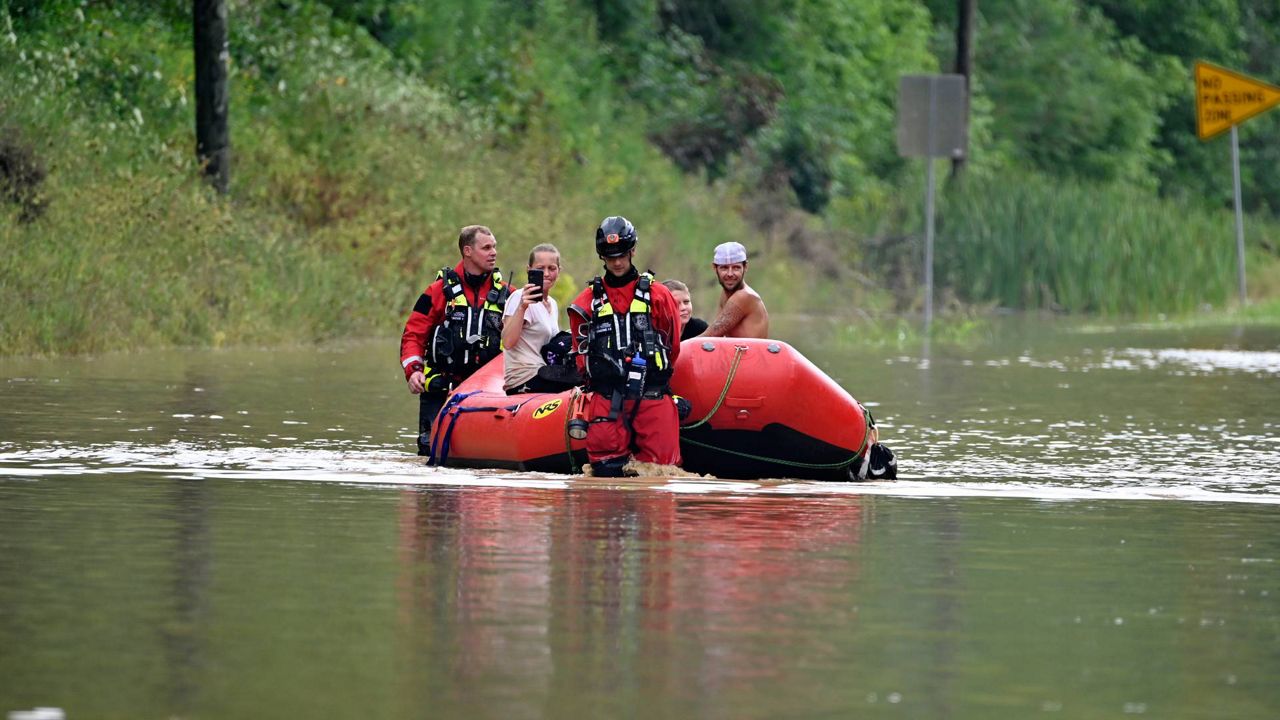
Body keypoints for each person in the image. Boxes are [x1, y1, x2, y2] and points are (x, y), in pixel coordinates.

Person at [568, 216, 684, 477]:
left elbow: (673, 346)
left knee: (661, 476)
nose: (617, 262)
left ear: (633, 251)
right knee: (604, 479)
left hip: (652, 396)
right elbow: (580, 355)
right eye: (610, 257)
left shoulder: (659, 296)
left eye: (622, 254)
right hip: (606, 400)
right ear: (602, 257)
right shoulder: (586, 302)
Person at [400, 225, 510, 455]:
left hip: (488, 392)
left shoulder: (507, 294)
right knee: (431, 452)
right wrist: (414, 371)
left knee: (486, 454)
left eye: (495, 247)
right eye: (487, 247)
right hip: (441, 389)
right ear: (468, 251)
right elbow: (413, 334)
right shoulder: (438, 291)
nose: (494, 253)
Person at [502, 243, 580, 394]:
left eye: (552, 268)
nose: (546, 273)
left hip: (546, 371)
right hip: (523, 377)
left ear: (559, 270)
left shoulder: (553, 303)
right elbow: (507, 342)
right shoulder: (519, 297)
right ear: (529, 270)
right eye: (540, 268)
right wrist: (522, 307)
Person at [698, 241, 769, 339]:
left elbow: (711, 335)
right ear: (714, 268)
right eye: (724, 268)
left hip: (751, 354)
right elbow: (715, 337)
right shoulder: (725, 294)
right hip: (736, 353)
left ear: (745, 267)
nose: (730, 274)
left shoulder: (745, 296)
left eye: (736, 268)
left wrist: (679, 348)